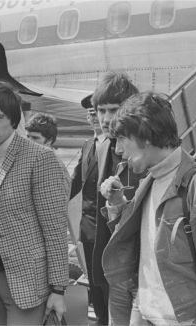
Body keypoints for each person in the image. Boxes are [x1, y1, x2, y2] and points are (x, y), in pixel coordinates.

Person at [100, 92, 196, 325]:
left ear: (144, 135)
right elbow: (143, 250)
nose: (117, 150)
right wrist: (117, 205)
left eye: (122, 139)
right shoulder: (150, 182)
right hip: (143, 315)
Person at [0, 81, 69, 325]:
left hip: (27, 283)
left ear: (14, 121)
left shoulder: (40, 158)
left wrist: (58, 289)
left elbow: (55, 228)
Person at [92, 71, 142, 326]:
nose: (106, 119)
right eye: (101, 111)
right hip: (103, 262)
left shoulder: (144, 156)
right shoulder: (99, 147)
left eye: (113, 110)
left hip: (137, 268)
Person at [69, 93, 106, 325]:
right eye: (90, 112)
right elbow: (73, 185)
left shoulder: (113, 147)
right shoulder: (88, 145)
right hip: (88, 231)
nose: (92, 116)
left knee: (108, 288)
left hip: (105, 231)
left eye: (97, 111)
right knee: (96, 288)